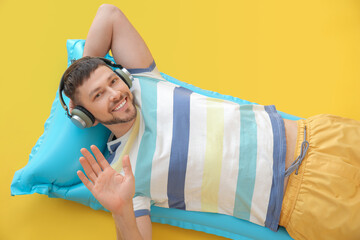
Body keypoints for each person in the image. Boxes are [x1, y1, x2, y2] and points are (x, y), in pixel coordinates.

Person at [62, 4, 360, 240]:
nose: (116, 94)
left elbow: (109, 13)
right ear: (85, 116)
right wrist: (120, 210)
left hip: (321, 136)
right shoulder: (123, 175)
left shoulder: (144, 82)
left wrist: (84, 68)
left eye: (113, 81)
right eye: (99, 95)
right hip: (305, 202)